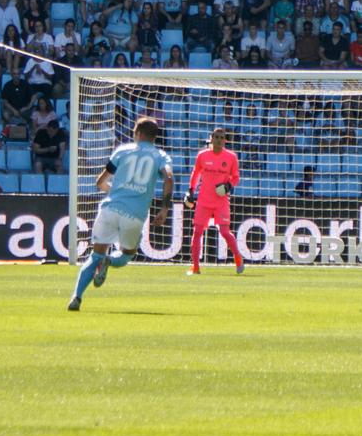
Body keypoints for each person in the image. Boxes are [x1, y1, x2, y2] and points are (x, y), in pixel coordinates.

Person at [69, 118, 176, 312]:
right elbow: (168, 178)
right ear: (154, 137)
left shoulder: (123, 150)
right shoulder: (160, 155)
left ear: (138, 133)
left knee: (94, 255)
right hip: (134, 214)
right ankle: (108, 261)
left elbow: (100, 182)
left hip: (109, 209)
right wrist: (164, 208)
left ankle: (76, 297)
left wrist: (117, 192)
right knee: (127, 254)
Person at [187, 126, 244, 276]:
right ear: (211, 138)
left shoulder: (231, 157)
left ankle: (237, 257)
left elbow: (236, 177)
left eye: (221, 137)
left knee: (225, 231)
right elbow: (196, 173)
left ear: (225, 140)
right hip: (204, 200)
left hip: (221, 201)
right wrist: (191, 190)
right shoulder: (202, 155)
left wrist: (228, 186)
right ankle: (196, 267)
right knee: (197, 231)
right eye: (216, 137)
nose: (219, 140)